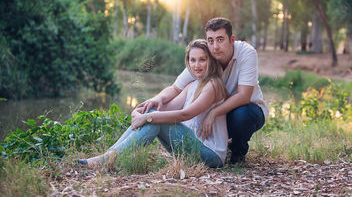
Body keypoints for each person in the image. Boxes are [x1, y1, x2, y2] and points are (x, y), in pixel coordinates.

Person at [77, 39, 228, 168]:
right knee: (152, 115)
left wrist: (149, 118)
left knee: (154, 119)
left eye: (202, 59)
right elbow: (166, 108)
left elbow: (185, 114)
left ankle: (106, 160)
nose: (196, 65)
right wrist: (141, 111)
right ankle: (107, 156)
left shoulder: (213, 85)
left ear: (211, 61)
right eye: (192, 60)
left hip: (211, 155)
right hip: (192, 146)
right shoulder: (192, 85)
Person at [139, 17, 268, 164]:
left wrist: (214, 112)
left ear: (231, 39)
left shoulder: (246, 53)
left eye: (220, 40)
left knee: (242, 115)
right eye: (210, 41)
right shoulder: (205, 57)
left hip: (248, 110)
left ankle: (238, 152)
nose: (215, 46)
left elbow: (244, 96)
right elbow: (175, 88)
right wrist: (158, 99)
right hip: (221, 115)